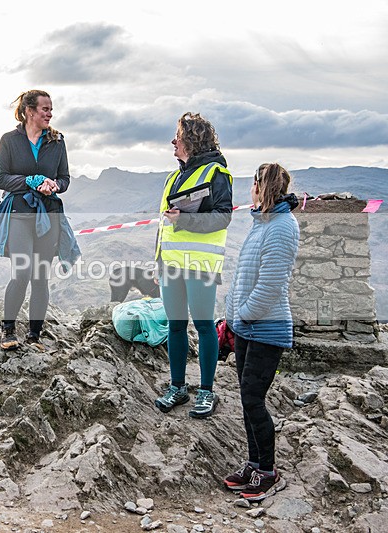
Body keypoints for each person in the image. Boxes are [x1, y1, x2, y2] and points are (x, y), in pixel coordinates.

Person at [223, 163, 298, 501]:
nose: (249, 188)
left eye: (253, 183)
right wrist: (232, 318)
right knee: (247, 399)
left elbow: (270, 286)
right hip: (247, 328)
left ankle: (267, 471)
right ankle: (254, 465)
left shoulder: (282, 226)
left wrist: (243, 315)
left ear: (261, 187)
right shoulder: (262, 222)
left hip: (267, 329)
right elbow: (244, 276)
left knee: (254, 400)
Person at [153, 112, 233, 418]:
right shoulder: (172, 178)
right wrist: (159, 264)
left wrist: (185, 219)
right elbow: (163, 226)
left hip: (200, 264)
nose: (173, 141)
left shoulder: (217, 174)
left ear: (192, 139)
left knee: (202, 326)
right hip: (172, 265)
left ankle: (207, 392)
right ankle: (178, 388)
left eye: (178, 135)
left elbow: (223, 216)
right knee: (175, 326)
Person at [0, 89, 80, 350]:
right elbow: (0, 178)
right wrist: (29, 181)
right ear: (29, 111)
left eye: (51, 109)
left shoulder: (57, 141)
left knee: (40, 275)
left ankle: (34, 336)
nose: (50, 113)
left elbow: (65, 178)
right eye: (45, 109)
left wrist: (54, 185)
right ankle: (8, 332)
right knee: (22, 272)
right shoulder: (9, 140)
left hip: (49, 214)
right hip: (19, 212)